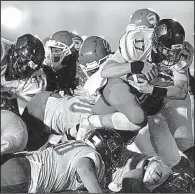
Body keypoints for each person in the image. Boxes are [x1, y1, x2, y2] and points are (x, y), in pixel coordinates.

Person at [77, 19, 194, 168]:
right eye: (168, 50)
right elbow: (106, 71)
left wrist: (152, 90)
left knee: (182, 143)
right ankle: (90, 121)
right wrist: (137, 65)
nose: (173, 56)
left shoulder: (183, 53)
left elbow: (181, 91)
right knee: (137, 119)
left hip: (152, 92)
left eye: (176, 51)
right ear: (156, 44)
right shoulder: (138, 42)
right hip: (121, 84)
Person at [1, 140, 105, 193]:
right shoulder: (90, 153)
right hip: (26, 176)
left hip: (20, 160)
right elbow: (84, 169)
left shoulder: (78, 143)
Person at [1, 34, 46, 114]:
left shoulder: (34, 81)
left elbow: (23, 112)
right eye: (22, 63)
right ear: (14, 54)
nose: (24, 69)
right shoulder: (2, 50)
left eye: (30, 68)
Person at [44, 31, 83, 96]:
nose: (53, 55)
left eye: (56, 51)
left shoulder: (79, 76)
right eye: (52, 51)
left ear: (71, 53)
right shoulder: (51, 74)